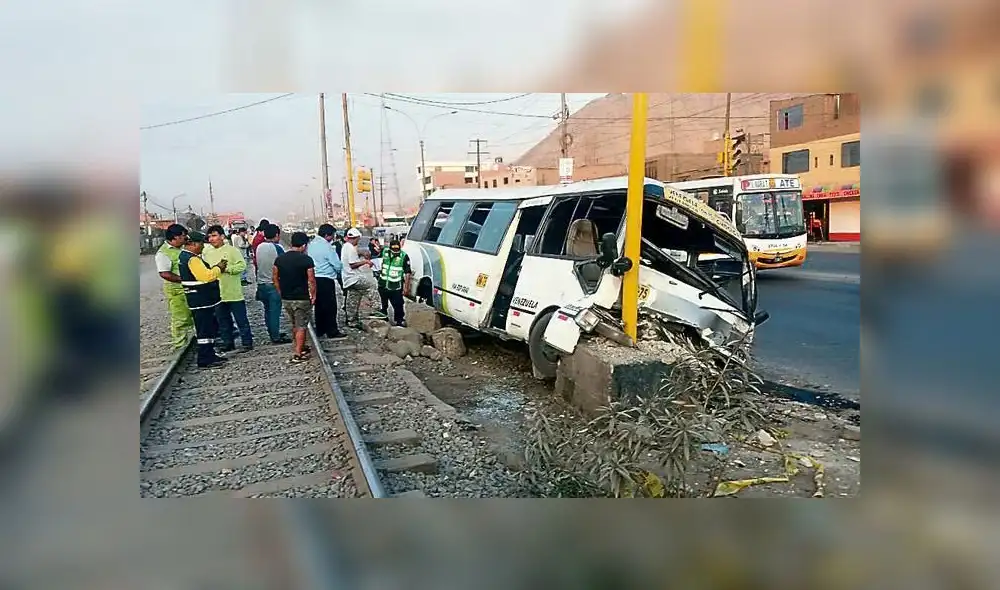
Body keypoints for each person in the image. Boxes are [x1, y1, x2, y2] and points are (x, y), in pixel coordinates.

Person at [178, 231, 229, 368]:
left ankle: (210, 355)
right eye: (201, 243)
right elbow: (205, 276)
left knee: (208, 328)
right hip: (201, 301)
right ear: (193, 244)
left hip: (199, 300)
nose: (203, 247)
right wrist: (219, 268)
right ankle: (205, 359)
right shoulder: (192, 259)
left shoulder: (185, 256)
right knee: (205, 330)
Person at [204, 225, 253, 352]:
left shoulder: (232, 250)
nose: (211, 239)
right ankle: (228, 343)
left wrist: (227, 269)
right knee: (223, 321)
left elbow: (241, 266)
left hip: (233, 292)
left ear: (222, 236)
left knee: (241, 319)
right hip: (217, 293)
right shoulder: (207, 253)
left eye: (214, 236)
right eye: (209, 236)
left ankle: (247, 342)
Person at [273, 232, 317, 363]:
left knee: (294, 324)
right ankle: (298, 353)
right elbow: (311, 280)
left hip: (287, 298)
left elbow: (274, 277)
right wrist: (313, 295)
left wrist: (280, 292)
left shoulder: (280, 259)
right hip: (302, 298)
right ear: (303, 245)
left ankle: (299, 346)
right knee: (301, 325)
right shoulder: (306, 260)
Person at [154, 223, 195, 349]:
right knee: (180, 318)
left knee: (193, 315)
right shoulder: (163, 253)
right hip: (177, 290)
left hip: (190, 287)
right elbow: (165, 273)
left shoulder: (183, 248)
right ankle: (180, 345)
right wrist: (184, 279)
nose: (185, 238)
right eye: (183, 236)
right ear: (175, 237)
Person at [307, 224, 347, 339]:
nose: (333, 238)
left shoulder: (311, 244)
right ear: (326, 235)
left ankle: (320, 329)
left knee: (319, 306)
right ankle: (332, 330)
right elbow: (336, 264)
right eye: (332, 235)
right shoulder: (327, 247)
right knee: (330, 306)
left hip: (314, 278)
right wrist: (340, 270)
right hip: (326, 279)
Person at [254, 224, 291, 344]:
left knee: (267, 311)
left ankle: (272, 332)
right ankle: (276, 337)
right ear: (276, 235)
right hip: (273, 284)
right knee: (274, 312)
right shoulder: (277, 248)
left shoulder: (259, 247)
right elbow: (284, 265)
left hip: (261, 284)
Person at [340, 227, 380, 329]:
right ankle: (377, 309)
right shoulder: (351, 248)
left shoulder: (345, 246)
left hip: (347, 279)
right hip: (354, 278)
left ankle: (351, 320)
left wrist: (361, 253)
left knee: (353, 297)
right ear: (356, 238)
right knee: (371, 286)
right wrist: (366, 262)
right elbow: (353, 264)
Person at [379, 237, 413, 326]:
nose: (395, 251)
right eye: (393, 249)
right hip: (383, 283)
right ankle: (383, 315)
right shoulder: (385, 252)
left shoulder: (404, 256)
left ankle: (399, 320)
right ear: (390, 248)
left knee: (398, 304)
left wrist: (406, 288)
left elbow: (408, 273)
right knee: (383, 302)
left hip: (396, 285)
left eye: (397, 249)